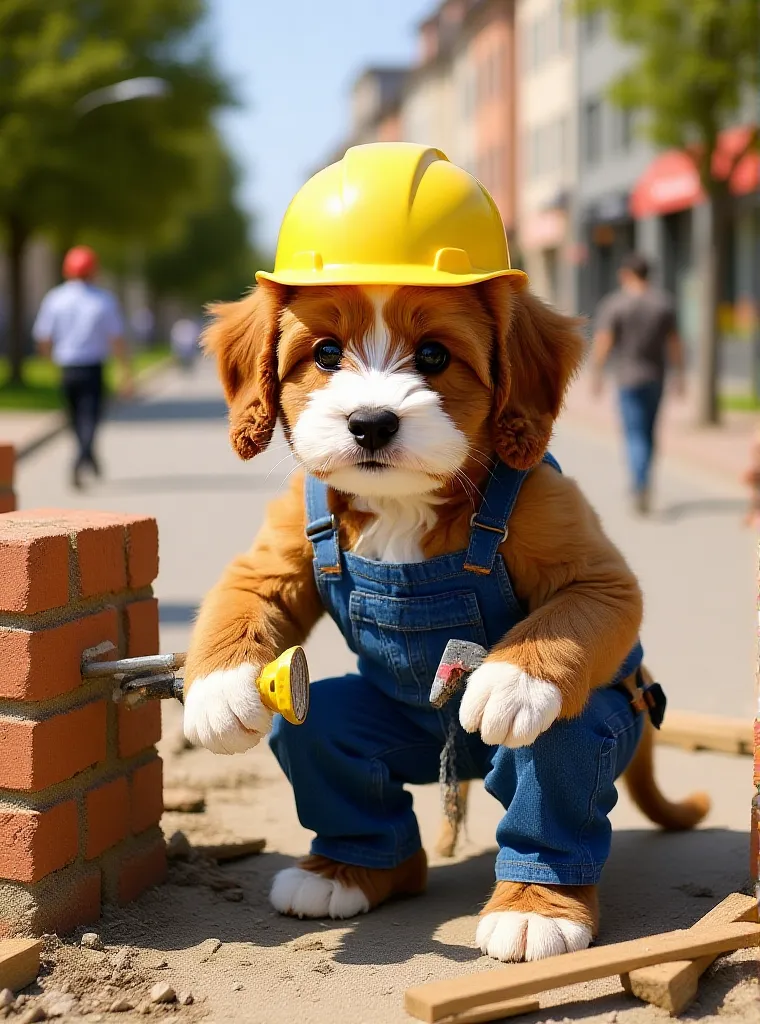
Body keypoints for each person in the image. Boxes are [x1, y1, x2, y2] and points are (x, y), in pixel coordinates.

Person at [590, 252, 686, 514]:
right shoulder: (663, 302)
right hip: (656, 377)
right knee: (649, 432)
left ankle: (639, 482)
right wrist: (680, 374)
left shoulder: (616, 304)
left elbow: (604, 341)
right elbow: (675, 343)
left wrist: (596, 373)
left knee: (634, 434)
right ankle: (644, 480)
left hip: (627, 378)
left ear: (626, 274)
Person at [32, 245, 133, 489]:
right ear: (93, 271)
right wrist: (124, 369)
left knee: (76, 418)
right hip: (92, 367)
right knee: (92, 417)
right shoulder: (103, 300)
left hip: (67, 366)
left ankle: (87, 455)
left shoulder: (55, 298)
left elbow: (43, 337)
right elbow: (117, 338)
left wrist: (50, 362)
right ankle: (82, 458)